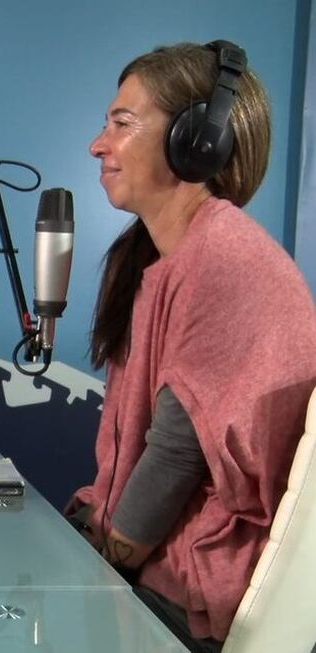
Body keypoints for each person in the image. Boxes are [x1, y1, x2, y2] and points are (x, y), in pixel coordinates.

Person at [69, 41, 316, 652]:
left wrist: (94, 567)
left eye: (122, 124)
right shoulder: (156, 258)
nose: (99, 145)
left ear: (197, 140)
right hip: (156, 570)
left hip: (185, 594)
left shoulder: (225, 260)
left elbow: (175, 459)